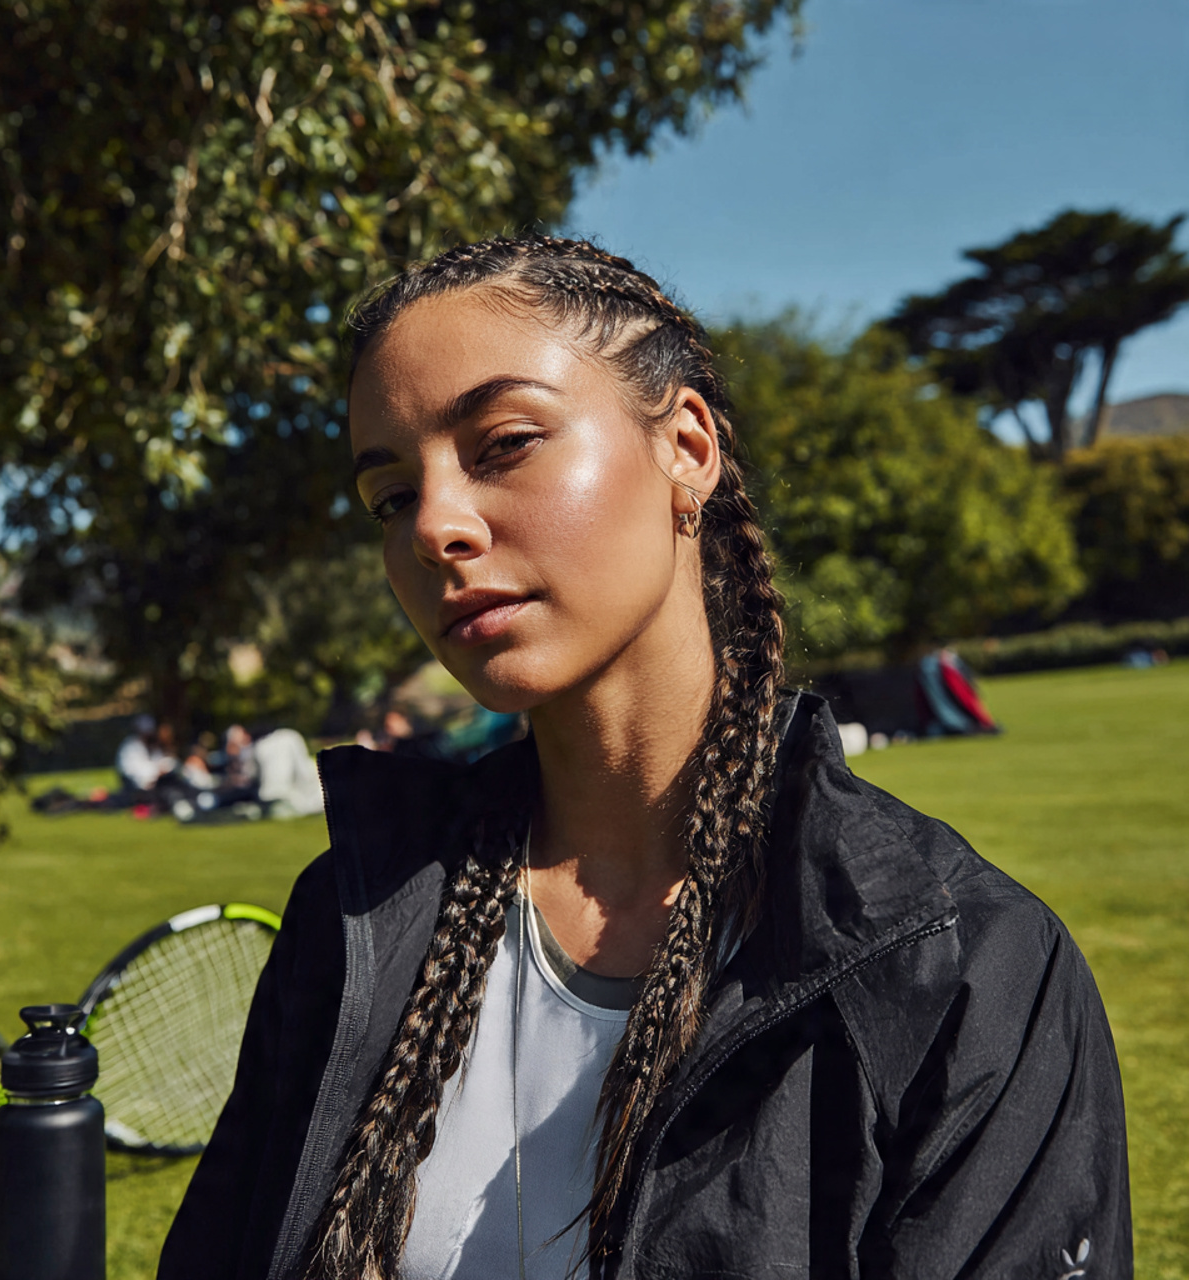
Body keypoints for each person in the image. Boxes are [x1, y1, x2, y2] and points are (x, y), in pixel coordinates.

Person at [159, 238, 1131, 1280]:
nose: (435, 523)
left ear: (687, 447)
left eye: (503, 442)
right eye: (391, 496)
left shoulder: (957, 964)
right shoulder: (356, 922)